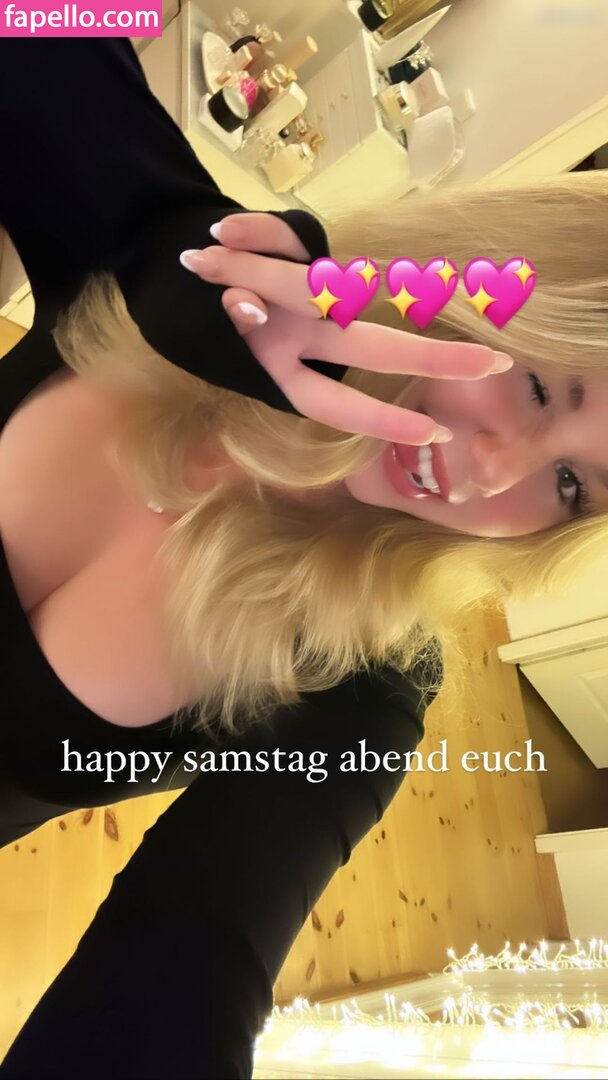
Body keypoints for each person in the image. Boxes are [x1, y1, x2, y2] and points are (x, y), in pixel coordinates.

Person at [1, 35, 607, 1078]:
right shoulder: (184, 277)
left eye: (570, 486)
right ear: (471, 272)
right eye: (540, 388)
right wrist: (169, 274)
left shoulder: (356, 695)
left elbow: (194, 955)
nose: (492, 472)